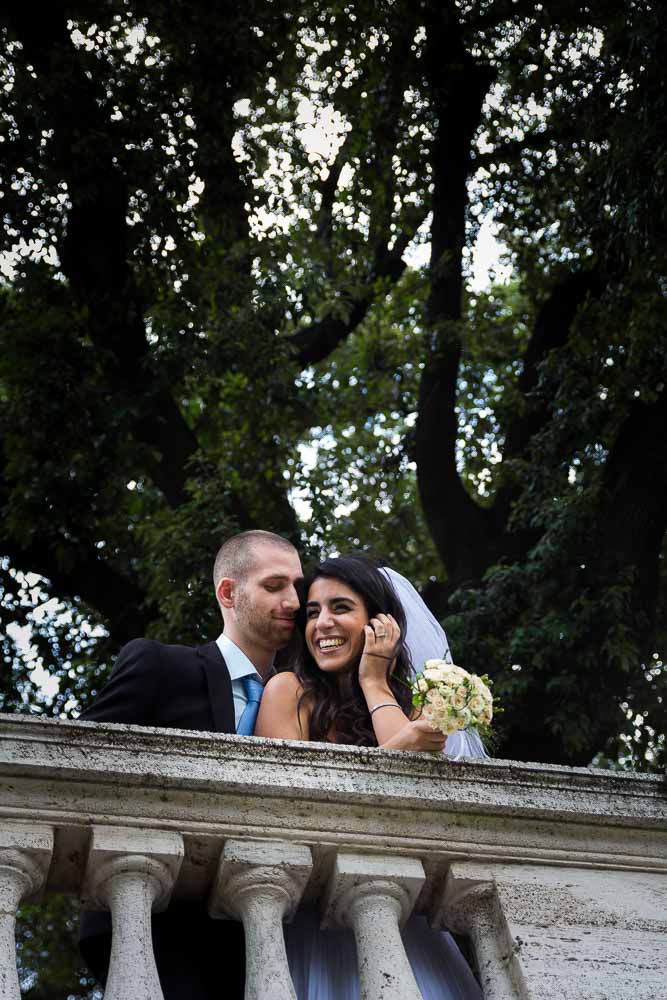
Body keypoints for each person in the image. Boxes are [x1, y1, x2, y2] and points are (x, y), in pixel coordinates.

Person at [79, 529, 303, 1000]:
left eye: (298, 586)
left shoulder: (306, 701)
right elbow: (81, 766)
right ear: (228, 592)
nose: (294, 600)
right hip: (159, 924)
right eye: (274, 585)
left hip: (267, 928)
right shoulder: (160, 665)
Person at [256, 554, 484, 1000]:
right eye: (313, 612)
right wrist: (403, 745)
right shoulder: (287, 691)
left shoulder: (417, 702)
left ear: (381, 623)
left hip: (407, 917)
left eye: (340, 608)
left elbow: (414, 804)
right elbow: (292, 806)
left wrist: (375, 681)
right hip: (320, 923)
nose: (322, 623)